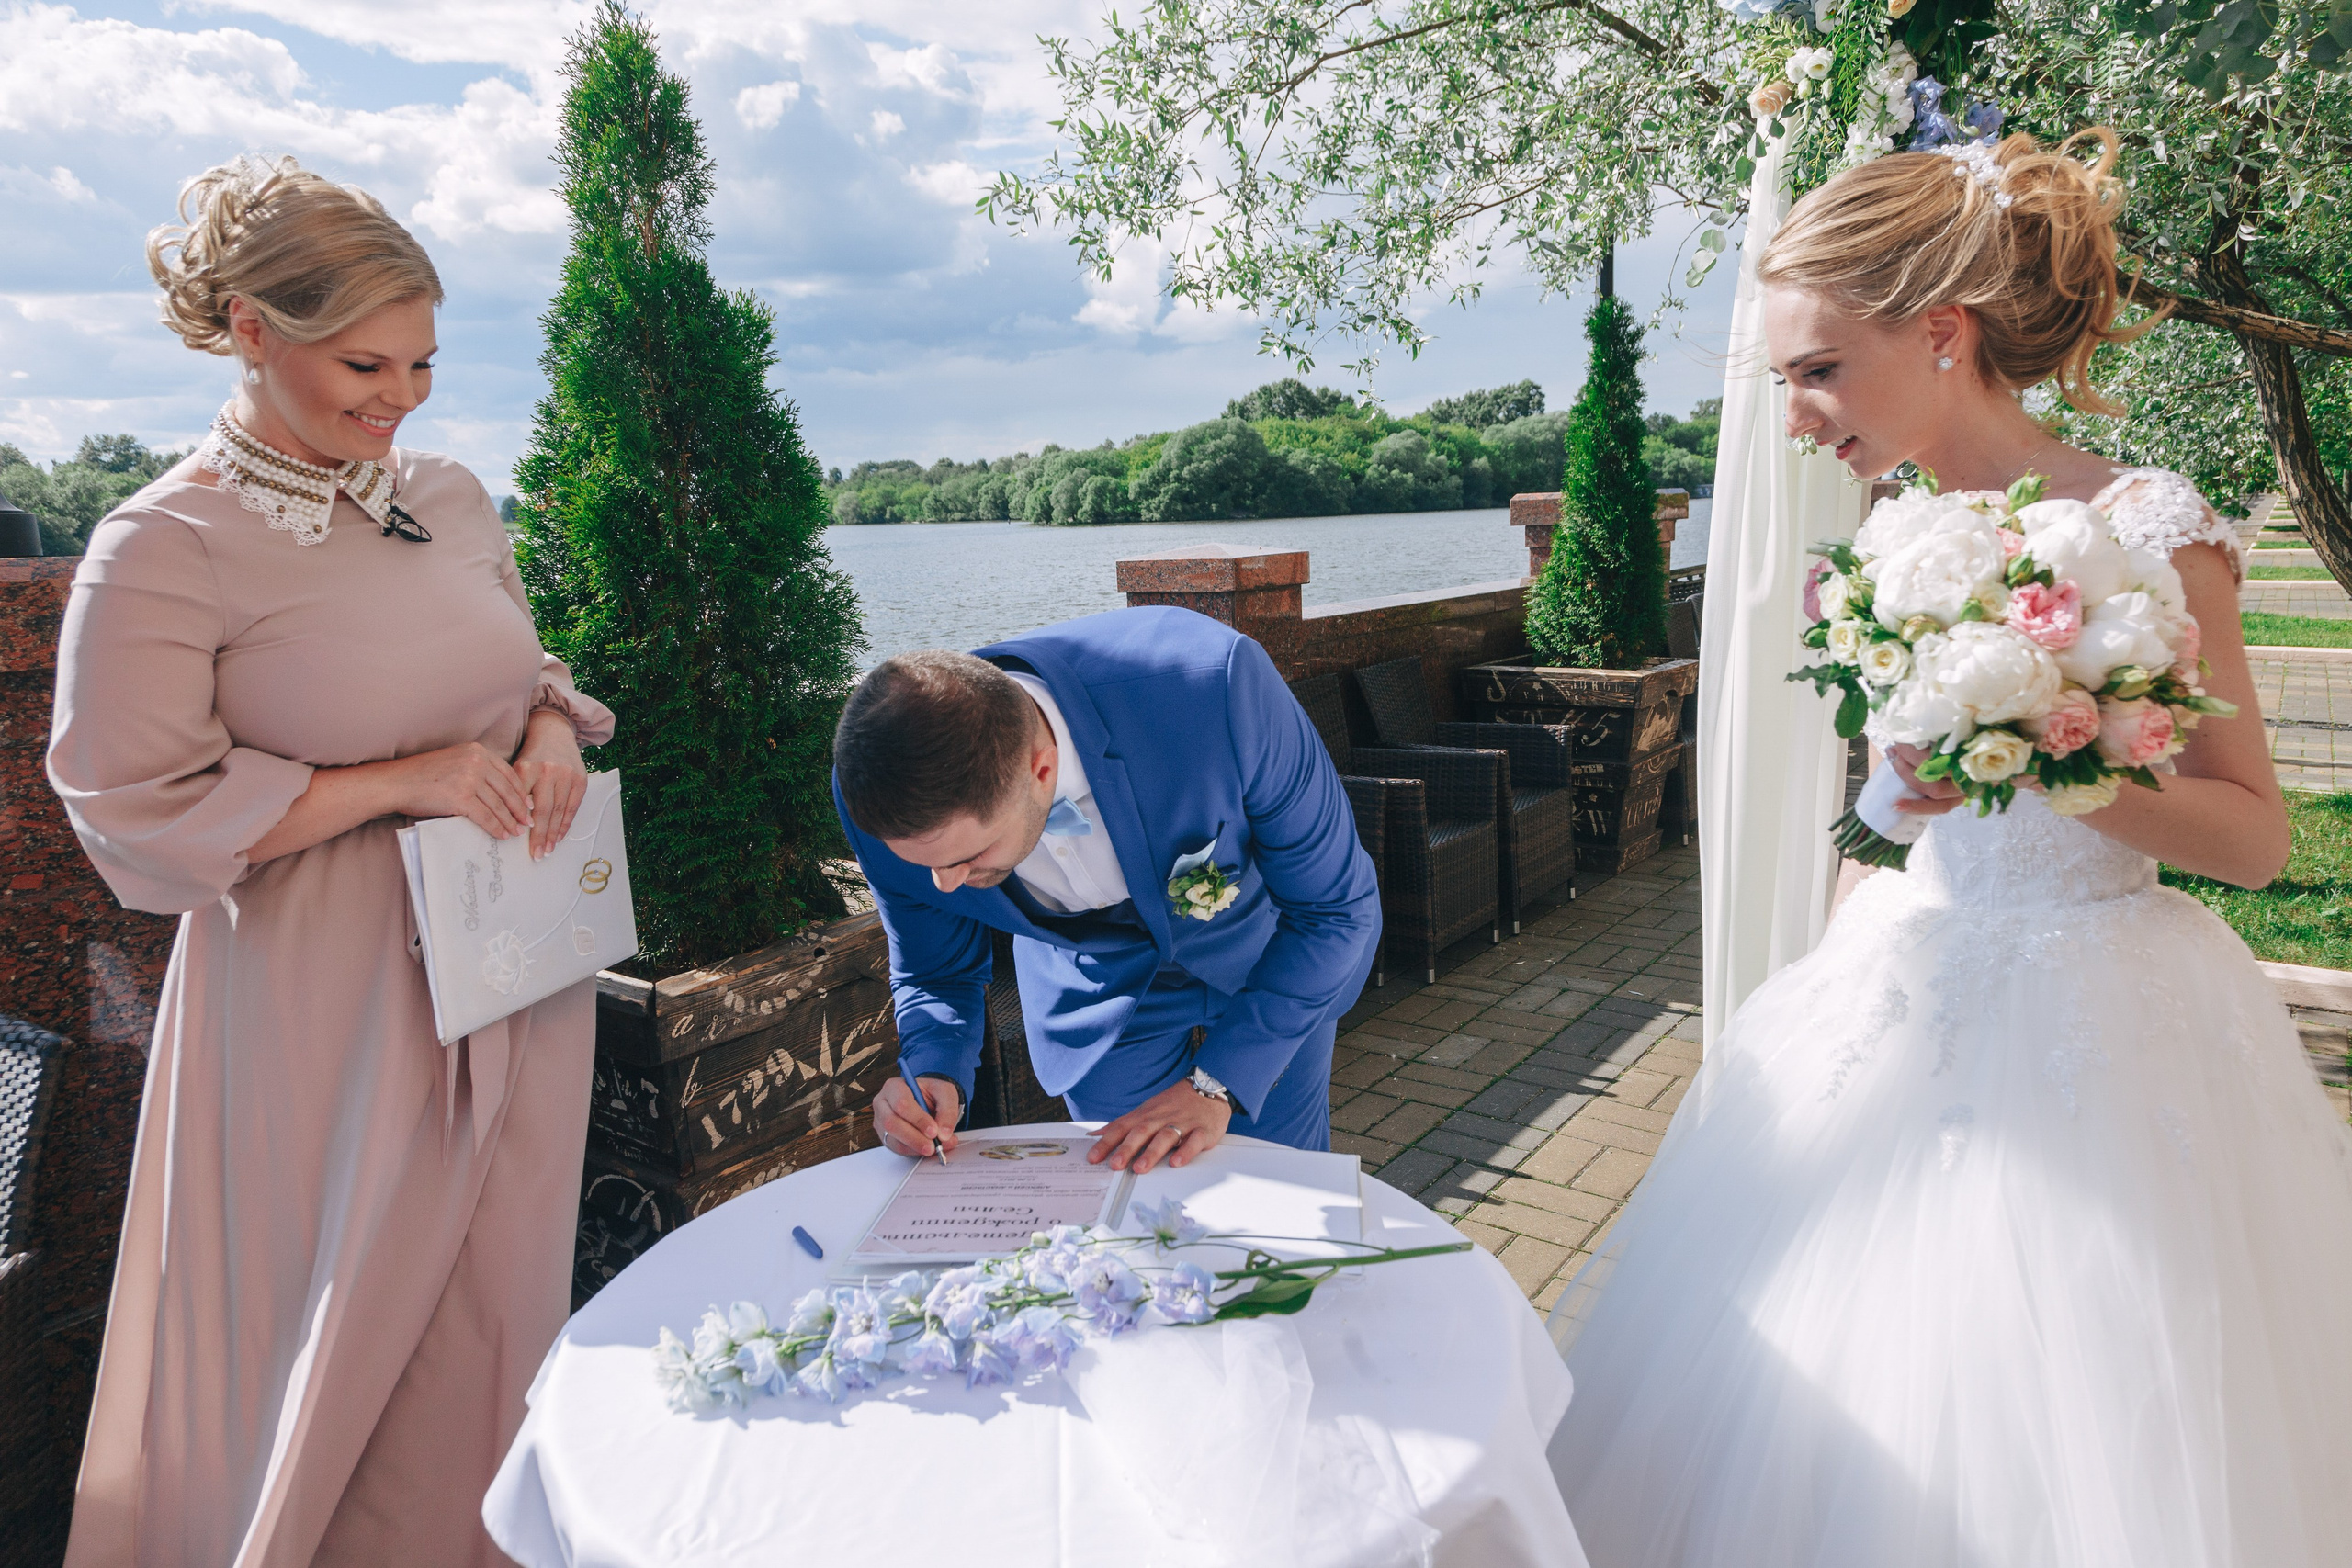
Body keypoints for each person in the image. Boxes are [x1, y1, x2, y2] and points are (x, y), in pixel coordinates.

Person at [1547, 130, 2352, 1565]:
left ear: (1938, 332)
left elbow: (2255, 835)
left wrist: (2061, 756)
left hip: (2112, 1022)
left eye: (1816, 370)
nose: (1797, 416)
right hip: (1898, 990)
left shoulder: (2148, 526)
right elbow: (1890, 804)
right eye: (1783, 379)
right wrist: (1850, 919)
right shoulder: (1894, 534)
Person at [48, 155, 614, 1566]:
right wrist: (400, 782)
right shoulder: (157, 547)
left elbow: (526, 669)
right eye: (365, 361)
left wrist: (549, 728)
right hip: (325, 1013)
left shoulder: (452, 494)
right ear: (250, 327)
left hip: (514, 977)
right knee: (335, 1345)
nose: (401, 395)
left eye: (422, 360)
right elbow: (131, 807)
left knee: (494, 1319)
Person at [832, 610, 1381, 1172]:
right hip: (1095, 993)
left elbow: (1334, 910)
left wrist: (1220, 1084)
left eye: (969, 858)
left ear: (1041, 771)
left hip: (1266, 962)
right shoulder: (883, 800)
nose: (944, 885)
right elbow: (934, 972)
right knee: (1127, 1197)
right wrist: (933, 1070)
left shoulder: (1216, 687)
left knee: (1285, 1182)